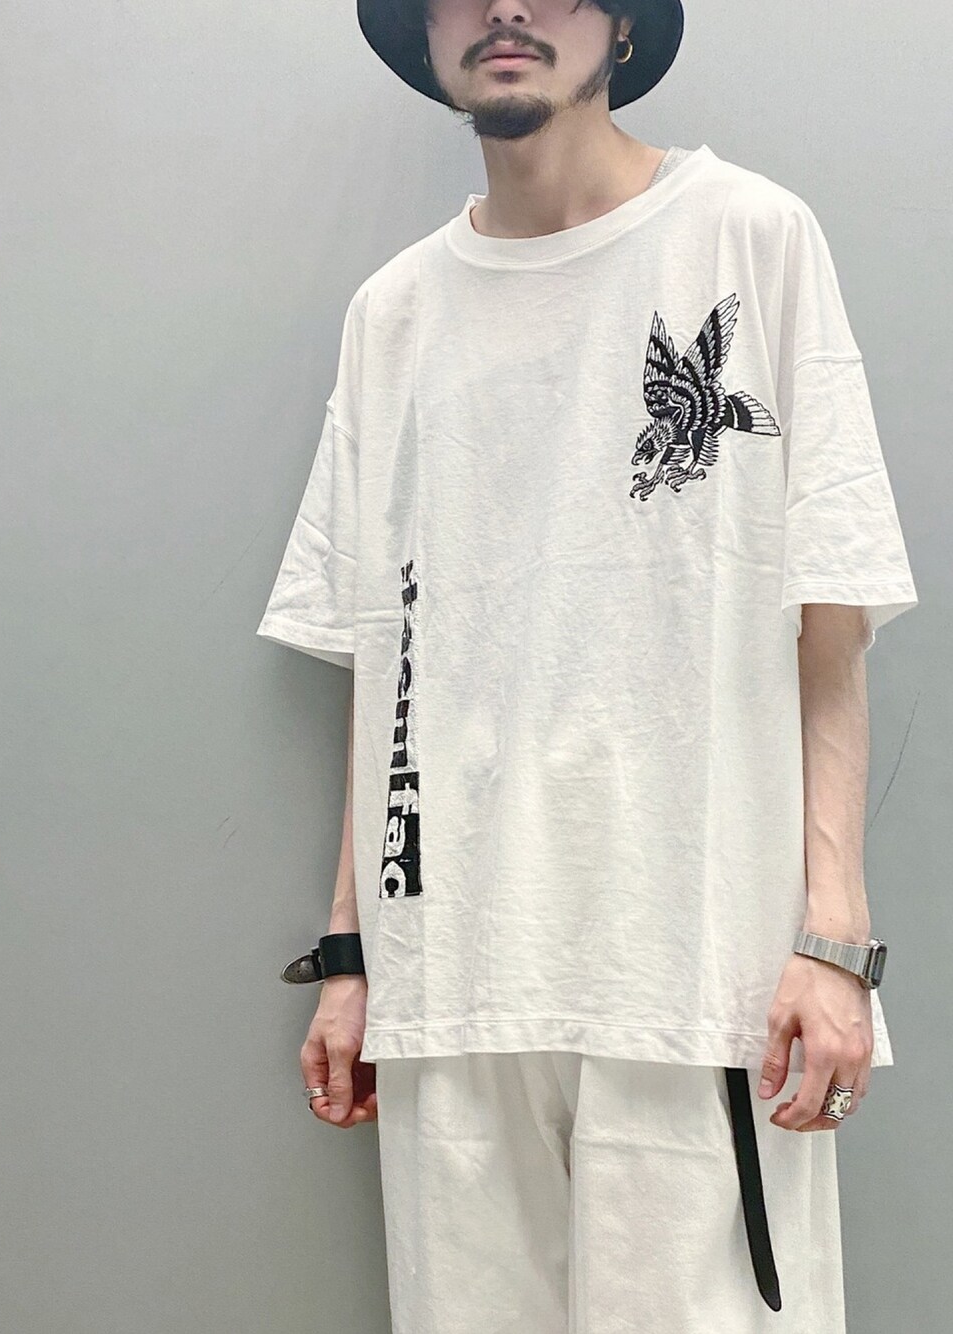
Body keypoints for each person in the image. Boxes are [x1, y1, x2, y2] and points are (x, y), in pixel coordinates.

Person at [256, 2, 919, 1329]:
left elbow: (830, 614)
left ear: (620, 26)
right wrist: (351, 949)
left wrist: (834, 940)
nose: (505, 8)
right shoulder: (393, 314)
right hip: (452, 985)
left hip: (699, 979)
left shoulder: (749, 236)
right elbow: (383, 652)